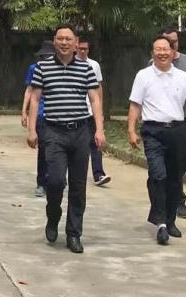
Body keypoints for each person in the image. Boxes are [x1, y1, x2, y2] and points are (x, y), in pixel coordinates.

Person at [128, 36, 186, 246]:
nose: (162, 53)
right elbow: (135, 105)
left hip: (178, 131)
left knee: (175, 178)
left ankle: (170, 220)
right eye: (157, 49)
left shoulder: (181, 76)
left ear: (172, 52)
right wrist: (131, 130)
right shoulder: (143, 76)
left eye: (165, 49)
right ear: (152, 53)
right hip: (153, 132)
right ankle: (160, 223)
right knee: (158, 175)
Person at [27, 26, 103, 254]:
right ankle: (53, 216)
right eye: (60, 38)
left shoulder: (86, 68)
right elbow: (35, 99)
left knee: (78, 187)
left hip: (80, 131)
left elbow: (95, 100)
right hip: (53, 131)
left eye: (68, 39)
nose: (64, 42)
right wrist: (32, 130)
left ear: (76, 42)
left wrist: (99, 130)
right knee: (56, 181)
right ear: (54, 41)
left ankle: (74, 234)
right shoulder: (43, 67)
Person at [158, 25, 186, 220]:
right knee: (171, 160)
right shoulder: (155, 63)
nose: (172, 44)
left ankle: (172, 187)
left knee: (185, 158)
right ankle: (178, 200)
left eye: (175, 41)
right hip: (165, 120)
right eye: (168, 41)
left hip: (185, 116)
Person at [75, 39, 111, 187]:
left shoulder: (94, 65)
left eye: (86, 49)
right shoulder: (71, 64)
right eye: (80, 48)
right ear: (76, 48)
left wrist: (100, 111)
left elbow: (98, 87)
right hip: (76, 112)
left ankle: (98, 174)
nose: (83, 51)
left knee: (95, 142)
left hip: (91, 110)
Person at [22, 41, 55, 198]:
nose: (45, 59)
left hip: (58, 115)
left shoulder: (61, 69)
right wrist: (24, 111)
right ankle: (41, 183)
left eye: (49, 56)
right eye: (43, 57)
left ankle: (55, 180)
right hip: (41, 114)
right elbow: (29, 91)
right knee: (43, 151)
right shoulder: (34, 69)